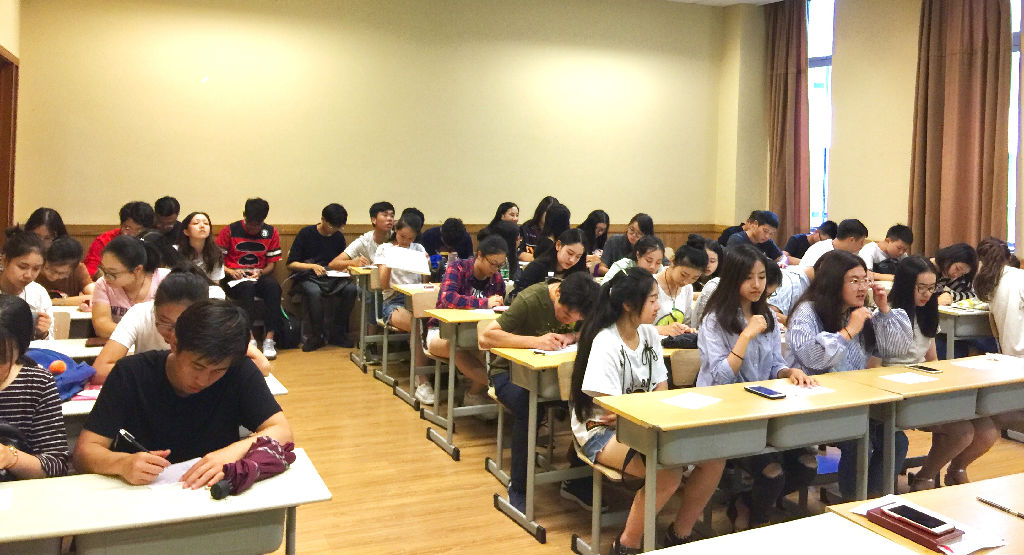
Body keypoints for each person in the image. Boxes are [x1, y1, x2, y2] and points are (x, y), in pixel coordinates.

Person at [570, 268, 725, 552]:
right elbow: (612, 411)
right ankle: (625, 545)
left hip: (646, 423)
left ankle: (679, 534)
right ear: (628, 305)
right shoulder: (605, 341)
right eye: (652, 300)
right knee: (667, 471)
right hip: (602, 431)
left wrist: (654, 411)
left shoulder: (650, 335)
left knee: (714, 459)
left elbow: (660, 387)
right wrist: (648, 411)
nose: (658, 307)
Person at [73, 300, 292, 489]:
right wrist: (122, 464)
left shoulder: (238, 370)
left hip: (210, 495)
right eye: (197, 366)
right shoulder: (131, 374)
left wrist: (228, 454)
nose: (203, 380)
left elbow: (282, 431)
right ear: (174, 343)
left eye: (217, 371)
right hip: (139, 496)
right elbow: (84, 452)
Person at [696, 245, 817, 528]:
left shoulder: (768, 316)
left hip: (763, 408)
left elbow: (774, 363)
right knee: (772, 473)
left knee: (807, 466)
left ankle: (746, 502)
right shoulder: (715, 320)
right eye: (748, 277)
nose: (756, 285)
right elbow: (721, 378)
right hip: (725, 413)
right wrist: (746, 335)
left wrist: (789, 371)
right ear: (733, 279)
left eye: (761, 277)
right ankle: (757, 524)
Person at [786, 249, 913, 499]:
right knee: (859, 441)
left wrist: (884, 310)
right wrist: (849, 331)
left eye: (865, 280)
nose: (862, 287)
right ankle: (853, 501)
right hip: (814, 403)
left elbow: (895, 350)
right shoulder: (808, 312)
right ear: (833, 282)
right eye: (854, 281)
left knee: (897, 440)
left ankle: (875, 496)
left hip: (854, 400)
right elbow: (812, 358)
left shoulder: (860, 312)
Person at [478, 272, 601, 512]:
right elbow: (486, 337)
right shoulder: (530, 299)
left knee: (592, 402)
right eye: (566, 315)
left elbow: (595, 330)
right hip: (508, 374)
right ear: (557, 293)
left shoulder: (584, 303)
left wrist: (572, 335)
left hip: (555, 378)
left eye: (576, 319)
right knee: (528, 405)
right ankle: (519, 487)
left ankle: (577, 481)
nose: (569, 320)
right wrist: (535, 342)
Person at [887, 255, 999, 491]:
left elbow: (933, 360)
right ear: (906, 285)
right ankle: (925, 477)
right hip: (895, 390)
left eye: (931, 288)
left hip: (923, 383)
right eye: (921, 288)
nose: (927, 294)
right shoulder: (888, 314)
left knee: (987, 430)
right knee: (961, 432)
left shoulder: (928, 312)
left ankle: (956, 470)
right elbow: (875, 365)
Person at [91, 267, 269, 382]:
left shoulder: (213, 321)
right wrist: (172, 372)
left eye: (183, 325)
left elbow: (262, 365)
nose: (173, 336)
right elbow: (99, 370)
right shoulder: (140, 313)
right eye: (164, 324)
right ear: (155, 308)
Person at [426, 235, 507, 405]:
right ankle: (500, 389)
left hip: (476, 334)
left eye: (500, 265)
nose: (495, 269)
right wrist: (484, 303)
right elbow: (448, 298)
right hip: (441, 333)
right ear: (480, 255)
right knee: (457, 348)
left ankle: (474, 394)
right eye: (493, 264)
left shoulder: (497, 279)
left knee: (495, 353)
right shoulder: (458, 268)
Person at [0, 295, 70, 479]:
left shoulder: (37, 383)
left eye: (2, 358)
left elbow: (56, 464)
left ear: (20, 348)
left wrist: (11, 458)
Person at [375, 214, 433, 403]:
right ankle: (421, 379)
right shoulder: (385, 249)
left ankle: (437, 373)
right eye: (402, 237)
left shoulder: (418, 249)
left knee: (430, 321)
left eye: (410, 238)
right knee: (418, 325)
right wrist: (390, 262)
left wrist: (426, 265)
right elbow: (384, 285)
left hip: (417, 297)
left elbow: (425, 282)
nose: (406, 241)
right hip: (394, 300)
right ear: (396, 231)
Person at [216, 198, 283, 360]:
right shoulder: (230, 230)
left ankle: (269, 339)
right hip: (233, 277)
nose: (253, 229)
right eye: (250, 224)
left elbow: (271, 265)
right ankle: (249, 337)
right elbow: (216, 261)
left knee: (274, 287)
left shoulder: (270, 232)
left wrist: (260, 272)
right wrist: (230, 271)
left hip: (257, 274)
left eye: (257, 225)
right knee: (247, 288)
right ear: (244, 215)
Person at [287, 203, 357, 351]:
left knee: (351, 289)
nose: (334, 230)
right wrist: (312, 266)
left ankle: (337, 333)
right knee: (314, 292)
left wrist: (344, 268)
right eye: (332, 226)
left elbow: (338, 262)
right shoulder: (306, 233)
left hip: (331, 276)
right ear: (323, 219)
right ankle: (316, 335)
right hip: (308, 275)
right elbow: (291, 263)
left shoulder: (338, 237)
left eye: (338, 227)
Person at [91, 235, 170, 339]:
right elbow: (102, 327)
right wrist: (143, 334)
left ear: (137, 270)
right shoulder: (103, 285)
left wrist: (130, 333)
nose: (106, 277)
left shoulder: (166, 280)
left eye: (112, 273)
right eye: (103, 270)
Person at [975, 237, 1024, 357]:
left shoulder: (991, 287)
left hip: (1009, 354)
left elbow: (994, 328)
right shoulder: (1019, 276)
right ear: (1009, 258)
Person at [0, 232, 54, 340]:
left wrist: (42, 333)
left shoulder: (39, 293)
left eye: (36, 269)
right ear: (5, 261)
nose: (28, 275)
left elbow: (50, 341)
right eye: (22, 267)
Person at [509, 228, 587, 301]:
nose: (572, 260)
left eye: (578, 257)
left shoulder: (579, 272)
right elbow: (517, 296)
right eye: (570, 253)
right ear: (558, 245)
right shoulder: (537, 267)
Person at [83, 201, 155, 279]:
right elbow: (91, 272)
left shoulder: (154, 241)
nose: (132, 234)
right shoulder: (105, 241)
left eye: (139, 230)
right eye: (127, 228)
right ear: (121, 225)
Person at [653, 243, 706, 336]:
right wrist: (661, 329)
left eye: (694, 278)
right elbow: (632, 327)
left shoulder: (687, 288)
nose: (686, 282)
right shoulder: (649, 285)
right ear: (673, 262)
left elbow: (686, 322)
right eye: (683, 275)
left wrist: (687, 330)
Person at [36, 236, 95, 307]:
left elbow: (95, 296)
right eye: (48, 268)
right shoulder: (35, 267)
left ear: (73, 269)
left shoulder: (79, 269)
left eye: (61, 273)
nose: (53, 276)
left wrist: (53, 302)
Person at [174, 211, 225, 283]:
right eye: (196, 223)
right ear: (186, 231)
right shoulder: (174, 251)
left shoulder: (216, 253)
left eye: (206, 223)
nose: (202, 226)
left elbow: (215, 283)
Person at [798, 218, 869, 268]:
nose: (862, 246)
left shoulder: (849, 253)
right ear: (851, 240)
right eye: (861, 242)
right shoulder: (820, 250)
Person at [518, 196, 559, 262]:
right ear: (541, 212)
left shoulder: (558, 230)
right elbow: (518, 253)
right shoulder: (526, 228)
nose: (551, 217)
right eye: (548, 213)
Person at [576, 209, 609, 275]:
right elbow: (573, 257)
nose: (600, 233)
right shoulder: (578, 236)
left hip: (595, 273)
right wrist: (588, 257)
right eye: (597, 228)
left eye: (603, 230)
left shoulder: (601, 239)